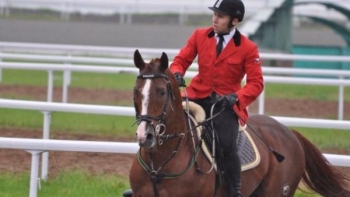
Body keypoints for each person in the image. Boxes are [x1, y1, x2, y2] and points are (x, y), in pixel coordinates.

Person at [170, 0, 264, 196]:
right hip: (195, 95)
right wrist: (177, 73)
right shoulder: (199, 35)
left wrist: (236, 97)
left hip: (224, 104)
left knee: (226, 143)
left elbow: (256, 83)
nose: (214, 19)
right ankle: (146, 179)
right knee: (162, 122)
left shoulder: (248, 48)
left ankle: (235, 190)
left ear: (234, 21)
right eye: (214, 15)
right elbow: (181, 60)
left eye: (220, 16)